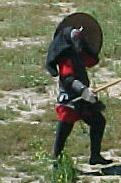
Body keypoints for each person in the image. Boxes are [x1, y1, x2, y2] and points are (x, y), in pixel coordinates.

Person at [45, 12, 112, 165]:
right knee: (64, 131)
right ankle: (56, 161)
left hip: (82, 99)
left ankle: (95, 156)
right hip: (70, 100)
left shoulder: (78, 53)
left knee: (98, 122)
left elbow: (90, 61)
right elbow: (68, 79)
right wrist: (83, 90)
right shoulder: (66, 57)